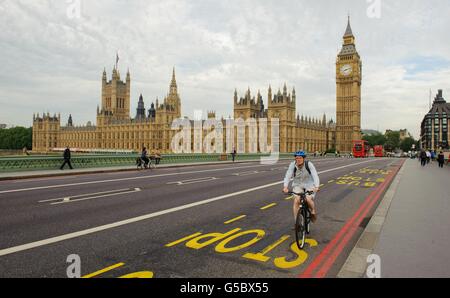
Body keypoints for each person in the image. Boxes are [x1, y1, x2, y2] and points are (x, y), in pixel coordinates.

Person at [283, 151, 320, 223]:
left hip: (309, 185)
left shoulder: (309, 164)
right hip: (297, 185)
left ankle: (312, 211)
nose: (298, 160)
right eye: (296, 158)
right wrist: (285, 187)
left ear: (303, 158)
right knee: (296, 201)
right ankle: (297, 222)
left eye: (300, 158)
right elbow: (288, 176)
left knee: (308, 199)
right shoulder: (292, 165)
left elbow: (315, 175)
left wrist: (316, 186)